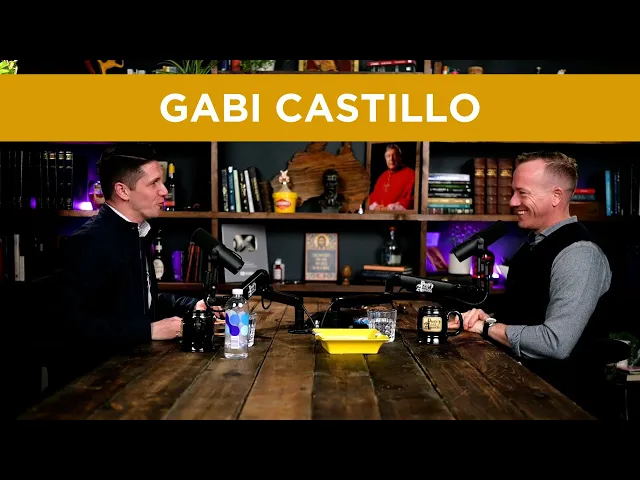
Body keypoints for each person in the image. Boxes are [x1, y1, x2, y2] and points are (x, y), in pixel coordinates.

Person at [455, 151, 627, 417]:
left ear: (556, 196)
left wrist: (487, 327)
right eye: (513, 192)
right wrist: (487, 319)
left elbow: (555, 342)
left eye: (522, 193)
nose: (513, 202)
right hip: (522, 395)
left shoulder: (579, 254)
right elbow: (527, 314)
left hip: (565, 405)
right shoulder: (531, 246)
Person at [48, 143, 218, 385]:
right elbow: (73, 326)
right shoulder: (86, 243)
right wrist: (150, 331)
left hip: (138, 371)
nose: (164, 191)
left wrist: (193, 305)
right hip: (96, 385)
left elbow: (141, 300)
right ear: (123, 191)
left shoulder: (137, 232)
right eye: (154, 183)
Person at [368, 144, 415, 211]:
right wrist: (376, 207)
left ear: (399, 157)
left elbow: (409, 201)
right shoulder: (382, 177)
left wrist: (388, 209)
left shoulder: (411, 174)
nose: (391, 159)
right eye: (388, 156)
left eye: (394, 155)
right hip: (379, 215)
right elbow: (373, 198)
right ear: (385, 159)